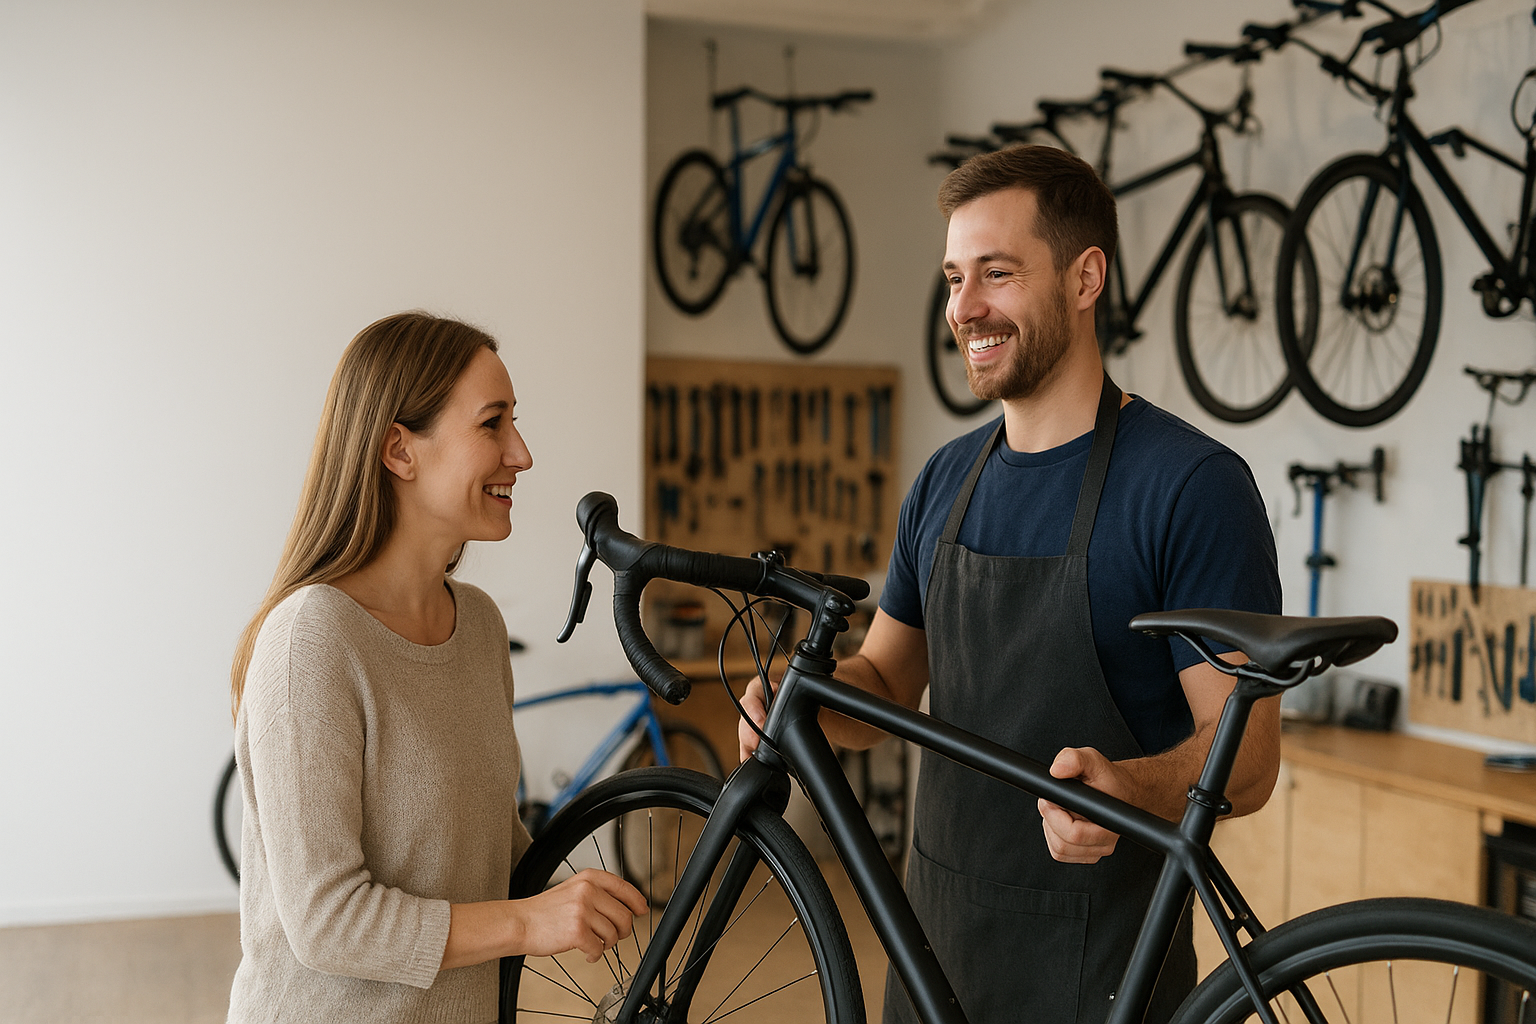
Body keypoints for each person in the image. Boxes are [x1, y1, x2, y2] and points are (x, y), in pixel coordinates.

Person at [740, 145, 1282, 1024]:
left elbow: (1249, 757)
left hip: (1103, 974)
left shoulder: (1190, 487)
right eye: (954, 277)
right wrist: (798, 701)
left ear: (1085, 277)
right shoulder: (944, 482)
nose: (964, 307)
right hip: (932, 961)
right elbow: (882, 687)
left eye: (997, 273)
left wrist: (1131, 787)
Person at [226, 312, 647, 1023]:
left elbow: (480, 846)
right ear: (400, 451)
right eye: (493, 424)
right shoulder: (311, 639)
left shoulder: (478, 626)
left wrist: (584, 897)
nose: (522, 452)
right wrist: (527, 922)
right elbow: (327, 919)